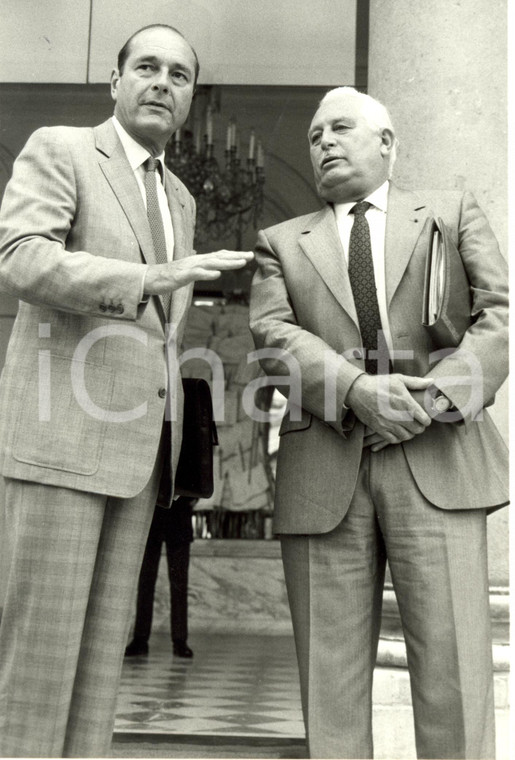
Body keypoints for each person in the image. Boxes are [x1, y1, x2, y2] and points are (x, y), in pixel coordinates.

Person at [0, 23, 253, 758]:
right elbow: (20, 259)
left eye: (178, 75)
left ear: (189, 100)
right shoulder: (62, 148)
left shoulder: (179, 197)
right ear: (114, 81)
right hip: (57, 444)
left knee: (97, 666)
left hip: (139, 461)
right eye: (146, 67)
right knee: (38, 659)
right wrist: (145, 279)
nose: (162, 83)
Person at [249, 86, 508, 759]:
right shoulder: (279, 241)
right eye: (312, 136)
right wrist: (358, 391)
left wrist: (429, 399)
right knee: (328, 686)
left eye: (339, 128)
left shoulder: (448, 214)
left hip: (439, 458)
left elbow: (499, 315)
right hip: (323, 469)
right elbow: (272, 336)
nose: (323, 143)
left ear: (385, 142)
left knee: (452, 676)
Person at [125, 496, 195, 659]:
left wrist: (194, 496)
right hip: (152, 514)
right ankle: (140, 640)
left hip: (179, 514)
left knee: (179, 584)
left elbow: (199, 472)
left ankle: (180, 641)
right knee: (145, 583)